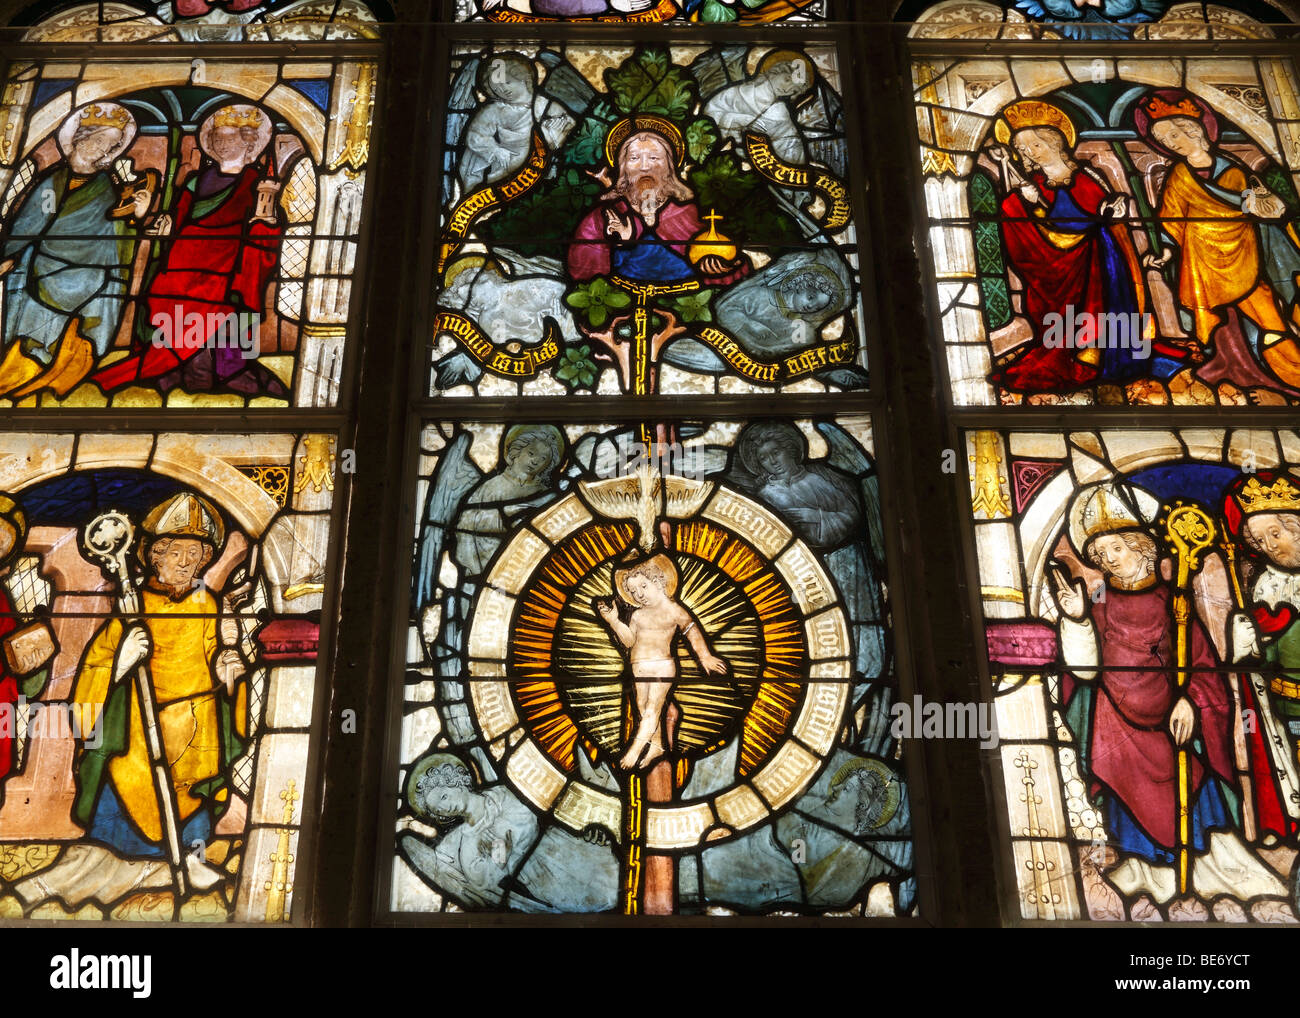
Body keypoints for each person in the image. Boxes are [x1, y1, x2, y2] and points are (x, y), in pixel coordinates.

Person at [1051, 481, 1287, 913]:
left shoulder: (1173, 600)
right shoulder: (1100, 601)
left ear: (1141, 547)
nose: (1107, 562)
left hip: (1173, 721)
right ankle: (1142, 867)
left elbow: (1202, 664)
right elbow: (1085, 672)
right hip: (1116, 722)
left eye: (1114, 550)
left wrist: (1190, 701)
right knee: (1118, 771)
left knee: (1195, 791)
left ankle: (1205, 863)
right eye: (1099, 557)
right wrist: (1077, 621)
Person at [69, 492, 248, 892]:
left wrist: (227, 671)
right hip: (139, 728)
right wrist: (122, 661)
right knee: (129, 790)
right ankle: (117, 859)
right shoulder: (134, 606)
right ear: (155, 555)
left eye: (196, 554)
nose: (187, 562)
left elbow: (212, 654)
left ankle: (191, 860)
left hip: (196, 727)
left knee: (195, 800)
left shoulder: (207, 604)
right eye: (177, 552)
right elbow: (92, 675)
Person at [91, 103, 286, 397]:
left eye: (230, 137)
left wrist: (267, 223)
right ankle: (174, 368)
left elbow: (264, 229)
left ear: (248, 144)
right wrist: (160, 221)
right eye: (217, 137)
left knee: (220, 310)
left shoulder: (255, 183)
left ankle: (214, 371)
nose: (222, 143)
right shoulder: (196, 180)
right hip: (181, 261)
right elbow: (177, 219)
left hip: (227, 263)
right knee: (164, 298)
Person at [1137, 89, 1300, 389]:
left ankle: (1291, 374)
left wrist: (1244, 205)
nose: (1170, 144)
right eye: (1164, 141)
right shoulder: (1178, 175)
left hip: (1244, 256)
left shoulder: (1233, 170)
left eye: (1174, 135)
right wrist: (1166, 253)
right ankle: (1234, 373)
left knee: (1271, 322)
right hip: (1200, 265)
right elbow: (1171, 221)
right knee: (1217, 329)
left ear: (1194, 131)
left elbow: (1244, 208)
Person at [987, 100, 1154, 393]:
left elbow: (1106, 212)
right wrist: (1025, 204)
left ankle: (1104, 357)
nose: (1030, 153)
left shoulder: (1088, 175)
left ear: (1054, 141)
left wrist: (1112, 211)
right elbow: (1024, 222)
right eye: (1024, 150)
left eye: (1035, 145)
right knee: (1058, 316)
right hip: (1059, 263)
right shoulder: (1033, 184)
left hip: (1100, 256)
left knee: (1107, 308)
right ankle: (1074, 353)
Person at [0, 103, 152, 399]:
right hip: (46, 270)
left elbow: (118, 229)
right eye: (98, 141)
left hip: (95, 275)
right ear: (80, 138)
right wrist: (10, 254)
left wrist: (139, 216)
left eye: (110, 146)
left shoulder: (107, 185)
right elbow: (33, 221)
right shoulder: (51, 184)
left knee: (79, 340)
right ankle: (16, 382)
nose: (101, 150)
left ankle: (52, 384)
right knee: (32, 340)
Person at [567, 118, 748, 287]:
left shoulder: (686, 214)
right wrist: (620, 246)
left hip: (683, 299)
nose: (645, 166)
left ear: (669, 166)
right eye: (634, 158)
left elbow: (722, 274)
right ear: (623, 168)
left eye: (654, 158)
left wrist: (716, 269)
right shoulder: (600, 218)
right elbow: (583, 276)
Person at [1223, 470, 1300, 840]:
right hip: (1286, 702)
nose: (1269, 545)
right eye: (1258, 540)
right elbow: (1257, 654)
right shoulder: (1265, 582)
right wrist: (1247, 636)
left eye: (1275, 533)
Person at [596, 553, 726, 770]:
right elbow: (629, 642)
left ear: (658, 580)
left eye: (643, 587)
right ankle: (656, 745)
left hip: (661, 666)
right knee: (641, 707)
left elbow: (691, 630)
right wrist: (614, 622)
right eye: (634, 592)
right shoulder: (637, 615)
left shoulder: (674, 610)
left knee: (651, 710)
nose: (639, 595)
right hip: (639, 667)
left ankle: (634, 751)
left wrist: (704, 655)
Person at [456, 53, 573, 196]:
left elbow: (569, 126)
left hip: (538, 168)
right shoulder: (494, 110)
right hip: (505, 167)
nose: (503, 90)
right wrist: (496, 150)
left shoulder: (545, 105)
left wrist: (554, 132)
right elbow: (475, 136)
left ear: (523, 78)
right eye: (496, 89)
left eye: (507, 82)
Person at [703, 49, 815, 164]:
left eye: (794, 90)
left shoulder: (781, 114)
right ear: (777, 71)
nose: (787, 90)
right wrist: (736, 119)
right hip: (721, 156)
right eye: (787, 79)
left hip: (751, 163)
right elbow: (708, 116)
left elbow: (790, 148)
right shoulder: (738, 93)